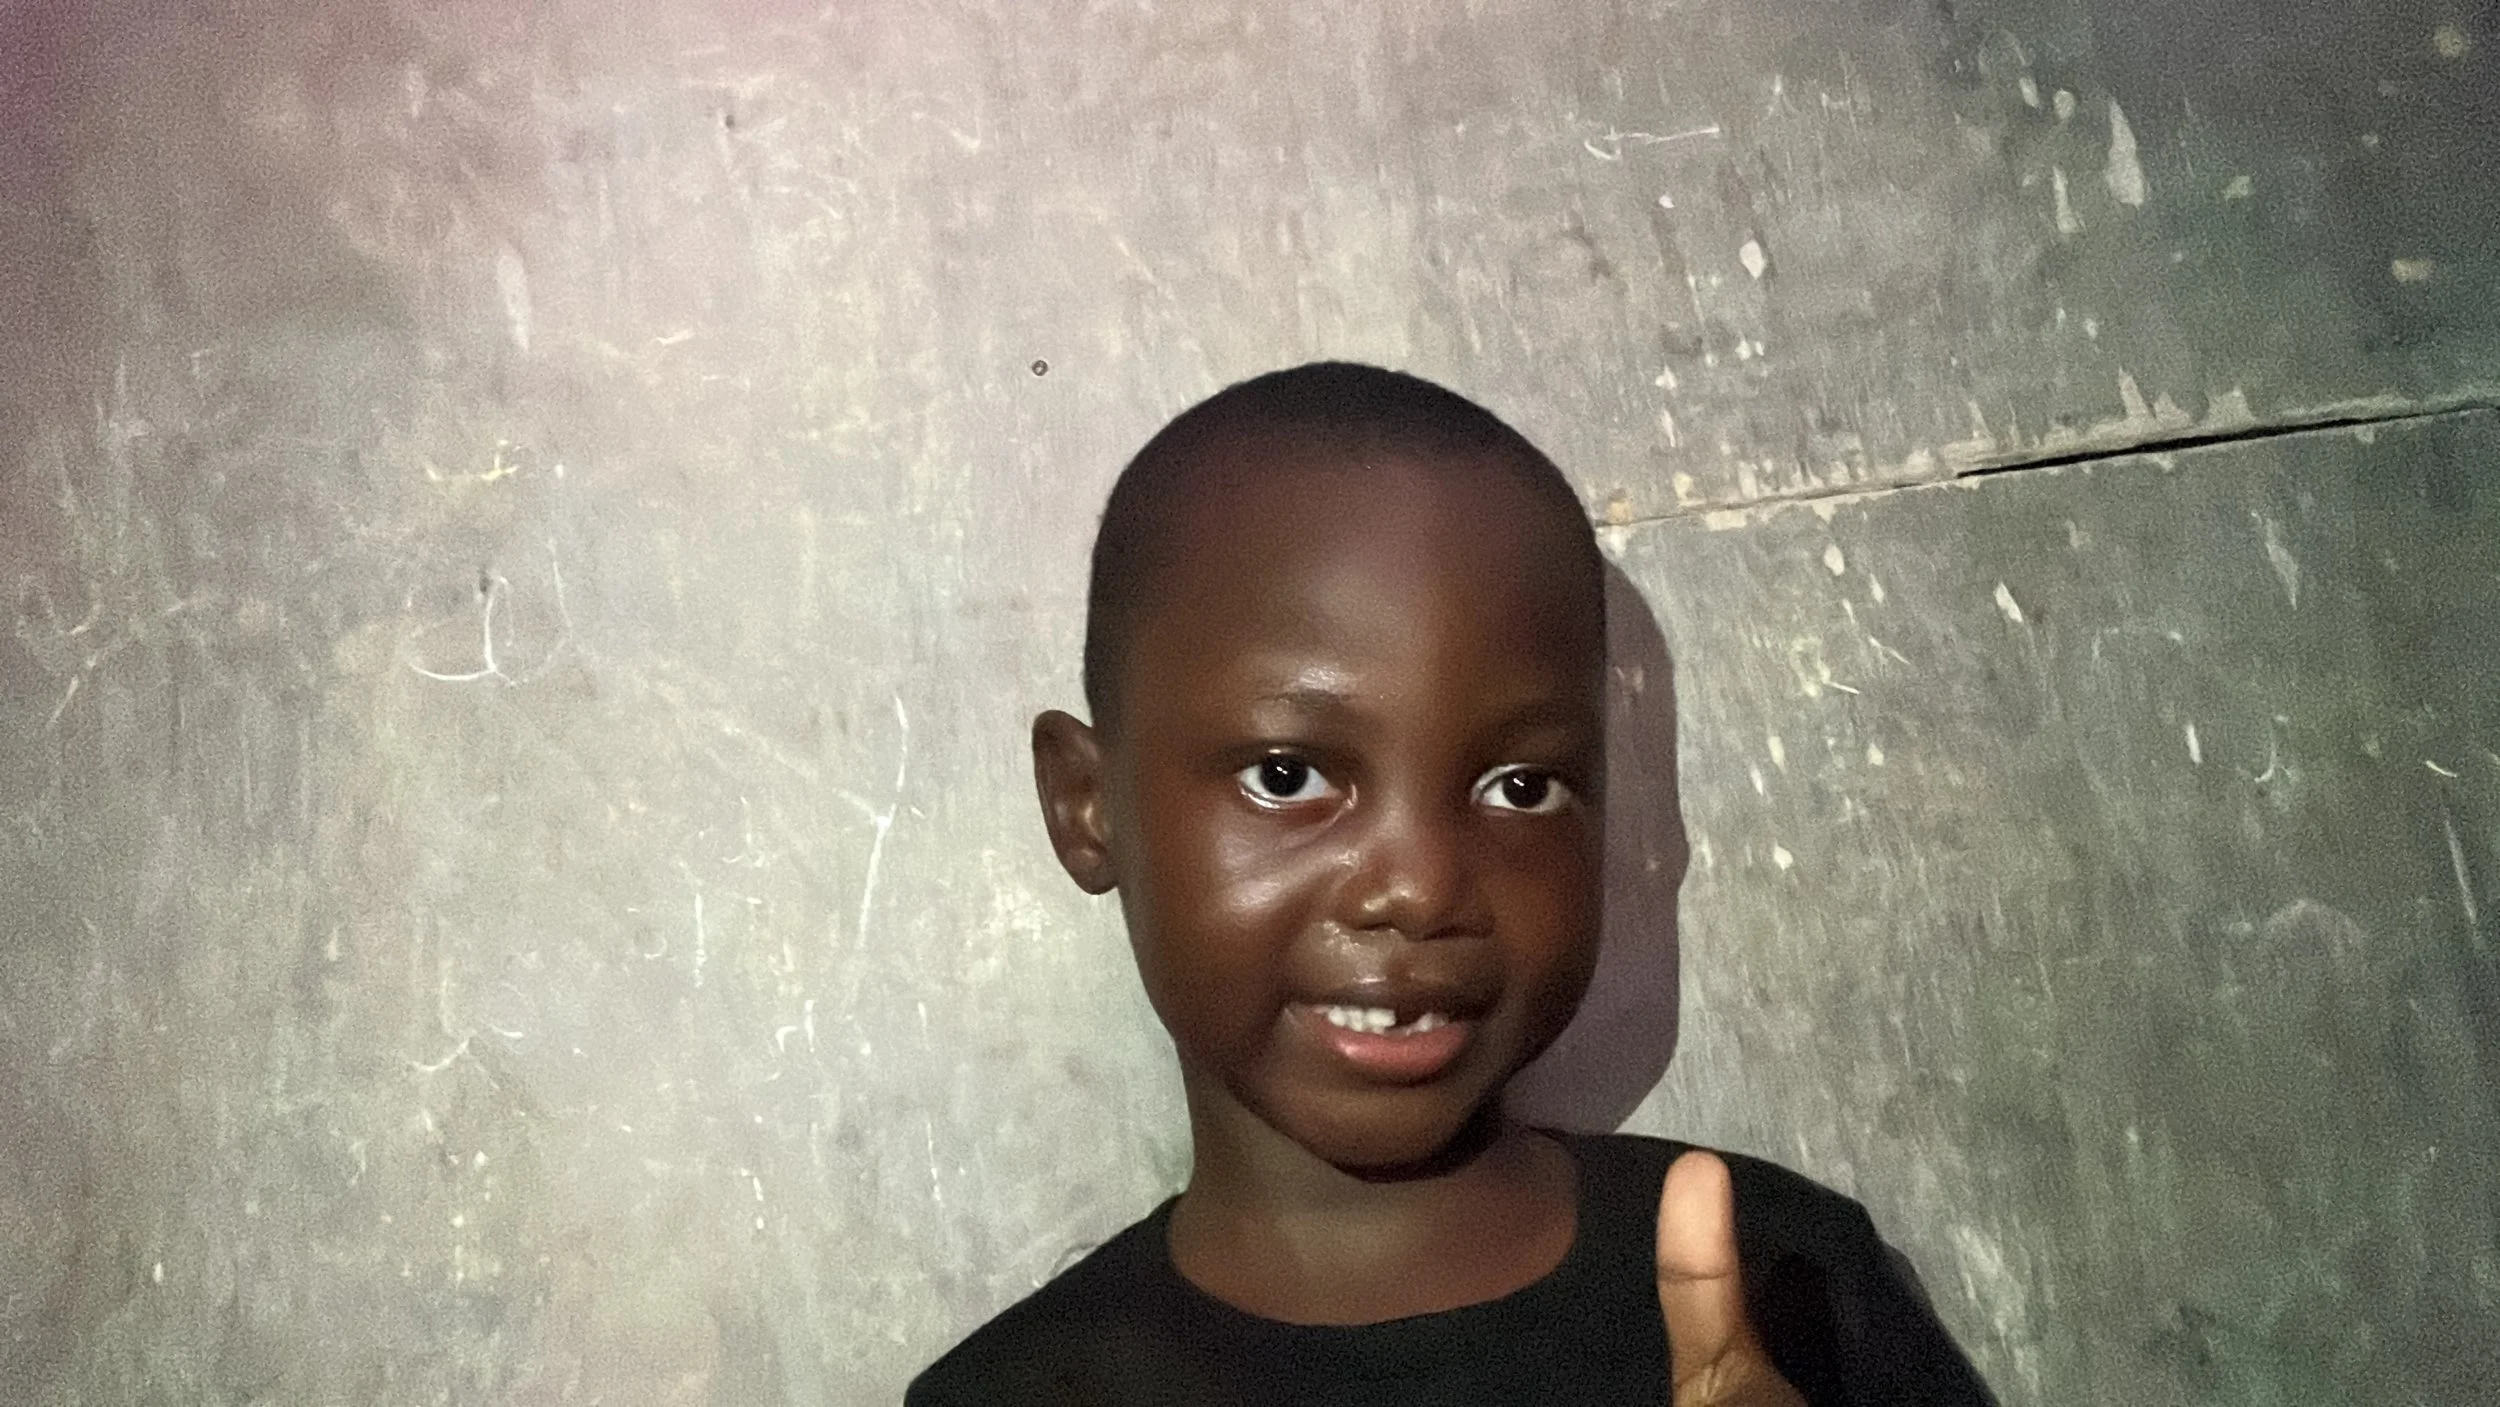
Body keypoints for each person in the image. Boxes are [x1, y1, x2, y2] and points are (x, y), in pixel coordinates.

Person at [908, 363, 1992, 1405]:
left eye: (1521, 787)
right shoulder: (1010, 1394)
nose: (1421, 889)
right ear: (1086, 805)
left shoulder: (1784, 1290)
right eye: (1287, 776)